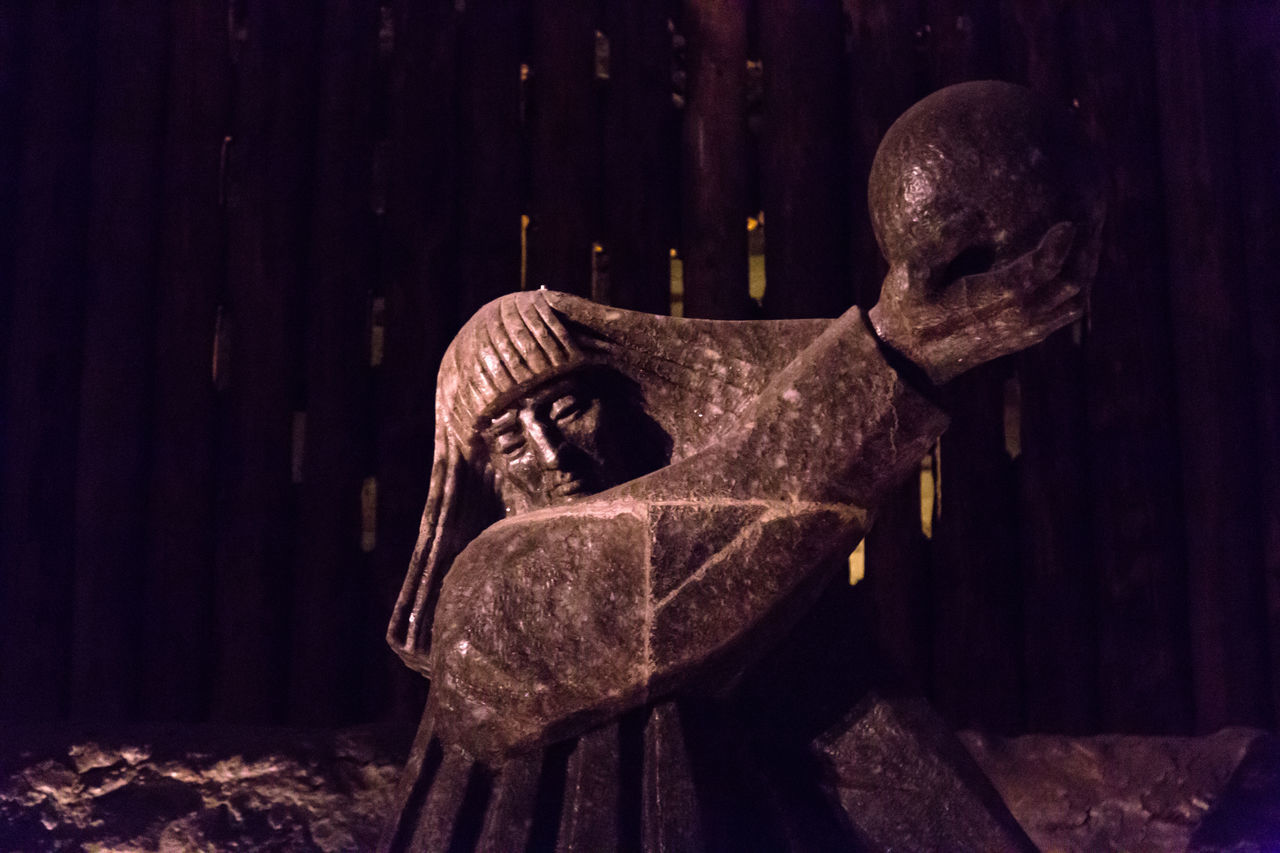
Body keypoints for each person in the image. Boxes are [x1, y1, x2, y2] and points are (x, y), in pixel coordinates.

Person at [381, 81, 1104, 851]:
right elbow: (649, 570)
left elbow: (876, 752)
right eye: (512, 438)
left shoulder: (729, 597)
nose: (553, 454)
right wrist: (892, 354)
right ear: (481, 474)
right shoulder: (487, 600)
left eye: (564, 410)